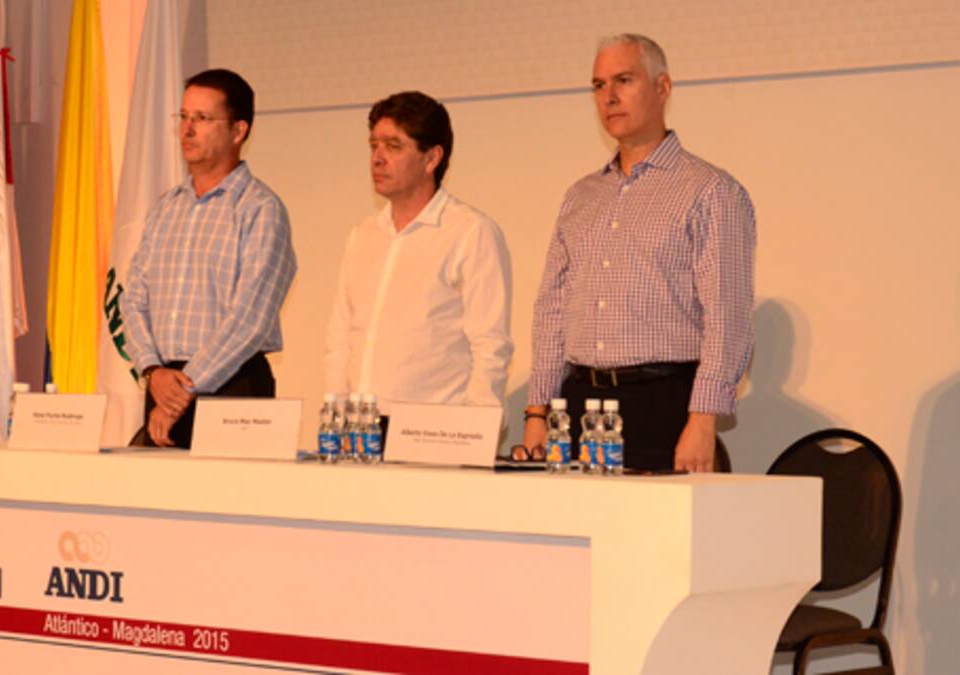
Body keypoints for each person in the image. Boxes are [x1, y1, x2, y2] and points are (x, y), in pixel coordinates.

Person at [520, 34, 755, 472]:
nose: (609, 96)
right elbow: (552, 310)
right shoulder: (581, 196)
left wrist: (702, 420)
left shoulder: (710, 190)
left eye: (624, 80)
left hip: (662, 405)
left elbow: (728, 316)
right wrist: (537, 412)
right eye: (598, 85)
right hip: (578, 406)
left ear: (662, 87)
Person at [122, 69, 296, 448]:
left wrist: (184, 389)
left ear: (238, 131)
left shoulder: (260, 209)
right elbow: (132, 299)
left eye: (201, 118)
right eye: (183, 116)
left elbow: (250, 319)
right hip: (163, 385)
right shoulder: (165, 209)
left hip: (232, 386)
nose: (187, 130)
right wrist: (152, 370)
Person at [324, 91, 513, 414]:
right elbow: (340, 338)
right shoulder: (362, 236)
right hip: (359, 426)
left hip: (432, 428)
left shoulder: (469, 232)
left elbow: (490, 346)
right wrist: (335, 415)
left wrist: (476, 429)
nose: (377, 158)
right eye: (373, 145)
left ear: (432, 158)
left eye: (393, 146)